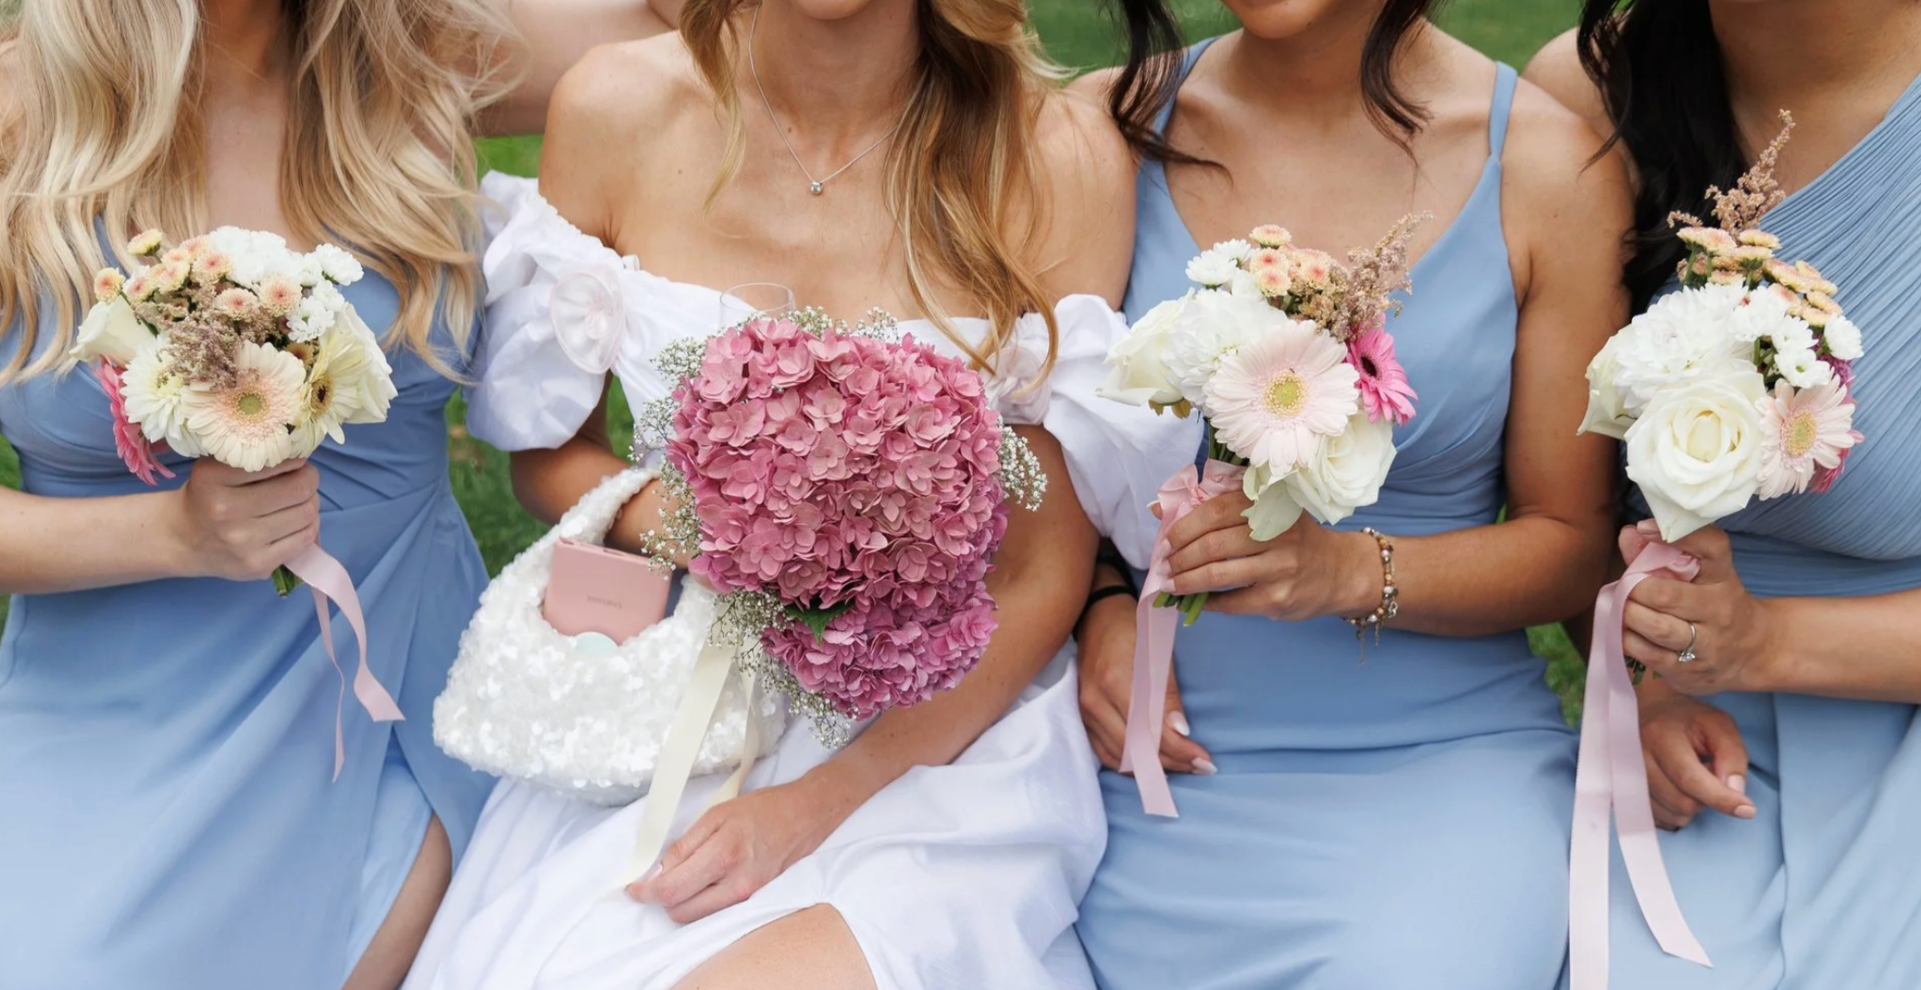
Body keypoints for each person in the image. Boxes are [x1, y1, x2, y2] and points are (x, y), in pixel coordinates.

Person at [401, 1, 1192, 988]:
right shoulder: (616, 108)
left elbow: (1039, 574)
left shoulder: (1055, 158)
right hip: (662, 701)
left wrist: (813, 806)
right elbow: (546, 456)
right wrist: (722, 532)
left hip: (942, 732)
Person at [0, 2, 678, 987]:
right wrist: (170, 533)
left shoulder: (420, 52)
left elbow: (733, 30)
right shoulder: (21, 114)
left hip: (396, 691)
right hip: (108, 713)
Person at [1069, 1, 1630, 987]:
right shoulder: (1096, 132)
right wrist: (1099, 601)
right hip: (1130, 763)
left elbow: (1572, 544)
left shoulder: (1547, 167)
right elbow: (1030, 463)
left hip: (1434, 762)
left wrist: (1348, 572)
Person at [1525, 2, 1921, 986]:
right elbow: (1563, 504)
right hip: (1697, 739)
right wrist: (1647, 680)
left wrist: (1765, 641)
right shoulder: (1591, 92)